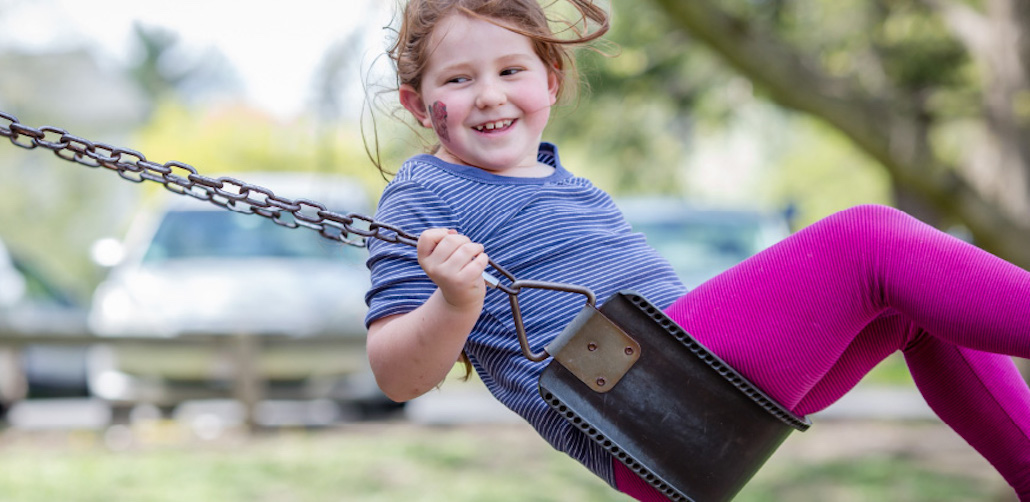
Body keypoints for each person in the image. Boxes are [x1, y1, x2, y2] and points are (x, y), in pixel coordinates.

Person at [361, 0, 1030, 500]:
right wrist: (454, 302)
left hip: (698, 401)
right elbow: (397, 376)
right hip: (639, 411)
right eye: (457, 81)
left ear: (551, 81)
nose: (489, 94)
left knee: (919, 301)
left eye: (512, 69)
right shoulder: (425, 196)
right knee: (869, 240)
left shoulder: (572, 184)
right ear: (418, 105)